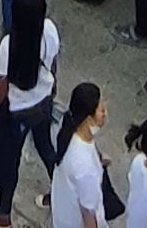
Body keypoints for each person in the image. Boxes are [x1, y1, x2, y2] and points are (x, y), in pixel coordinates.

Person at [0, 0, 64, 227]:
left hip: (17, 112)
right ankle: (61, 194)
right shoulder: (49, 30)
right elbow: (54, 63)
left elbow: (2, 85)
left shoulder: (9, 44)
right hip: (43, 102)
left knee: (9, 161)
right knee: (46, 147)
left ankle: (3, 213)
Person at [49, 82, 112, 228]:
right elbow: (88, 214)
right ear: (89, 119)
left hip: (64, 210)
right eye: (101, 110)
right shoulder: (85, 168)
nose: (105, 113)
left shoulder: (67, 125)